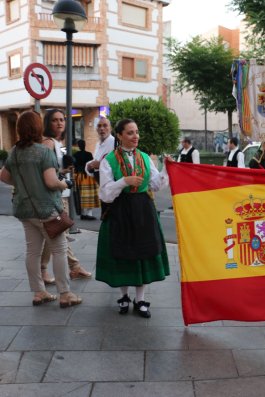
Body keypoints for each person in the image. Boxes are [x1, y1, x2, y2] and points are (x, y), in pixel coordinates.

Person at [0, 111, 82, 308]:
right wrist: (65, 185)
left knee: (33, 251)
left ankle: (39, 292)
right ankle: (65, 294)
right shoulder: (43, 151)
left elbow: (4, 176)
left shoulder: (14, 152)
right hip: (47, 210)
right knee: (59, 249)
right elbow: (51, 181)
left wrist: (20, 182)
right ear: (38, 127)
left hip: (24, 210)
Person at [96, 118, 171, 318]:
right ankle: (124, 296)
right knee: (123, 252)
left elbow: (155, 185)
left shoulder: (146, 158)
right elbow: (105, 194)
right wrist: (123, 181)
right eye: (130, 132)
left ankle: (141, 299)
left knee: (144, 253)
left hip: (143, 210)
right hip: (121, 210)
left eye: (136, 132)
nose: (135, 136)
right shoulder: (108, 160)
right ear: (119, 136)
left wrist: (165, 169)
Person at [39, 109, 92, 282]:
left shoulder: (55, 142)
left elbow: (52, 170)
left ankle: (57, 268)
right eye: (55, 120)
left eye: (62, 120)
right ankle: (67, 268)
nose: (60, 123)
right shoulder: (48, 143)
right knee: (56, 233)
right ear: (48, 123)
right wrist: (61, 174)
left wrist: (63, 170)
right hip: (54, 195)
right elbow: (45, 173)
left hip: (60, 193)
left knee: (55, 233)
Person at [73, 139, 99, 220]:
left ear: (78, 146)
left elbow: (75, 166)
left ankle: (83, 213)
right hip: (88, 176)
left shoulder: (76, 154)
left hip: (79, 176)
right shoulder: (89, 154)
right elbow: (91, 166)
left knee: (81, 195)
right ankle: (89, 214)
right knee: (89, 195)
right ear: (84, 145)